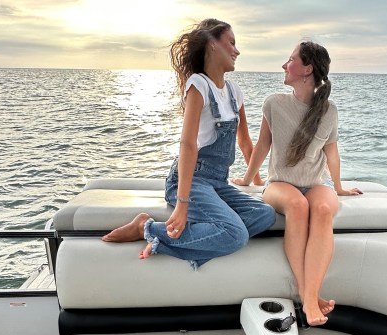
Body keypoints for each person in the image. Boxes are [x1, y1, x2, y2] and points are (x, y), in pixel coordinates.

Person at [103, 19, 275, 268]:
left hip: (217, 183)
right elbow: (187, 145)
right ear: (212, 44)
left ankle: (197, 243)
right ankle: (146, 227)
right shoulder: (198, 84)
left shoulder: (235, 91)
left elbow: (245, 142)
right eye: (232, 43)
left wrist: (256, 182)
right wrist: (182, 204)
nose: (237, 51)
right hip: (189, 180)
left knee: (265, 214)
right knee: (236, 234)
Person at [233, 41, 362, 326]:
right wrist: (247, 179)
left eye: (290, 59)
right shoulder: (274, 103)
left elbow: (331, 152)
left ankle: (309, 294)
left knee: (325, 209)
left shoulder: (329, 111)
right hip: (280, 184)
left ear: (307, 69)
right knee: (297, 205)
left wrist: (338, 187)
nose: (284, 64)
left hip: (316, 182)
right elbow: (262, 146)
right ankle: (309, 298)